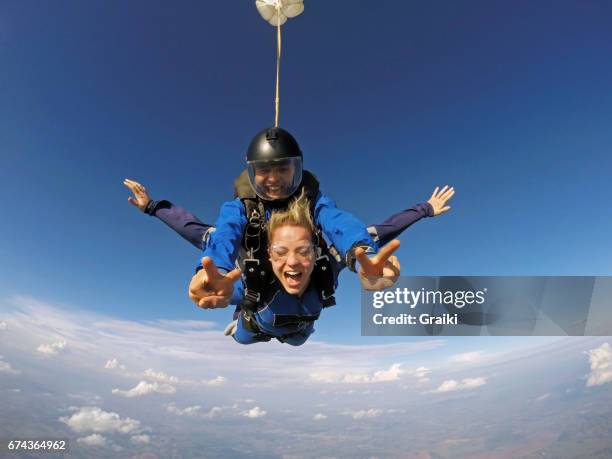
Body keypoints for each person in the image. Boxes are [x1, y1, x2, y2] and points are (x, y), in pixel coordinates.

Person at [187, 191, 401, 345]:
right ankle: (240, 320)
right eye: (281, 251)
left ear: (315, 253)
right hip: (254, 327)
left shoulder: (324, 271)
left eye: (303, 250)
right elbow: (203, 238)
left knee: (298, 340)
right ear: (269, 255)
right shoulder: (256, 281)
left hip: (300, 331)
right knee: (242, 337)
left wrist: (367, 256)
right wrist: (211, 283)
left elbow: (376, 234)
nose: (293, 261)